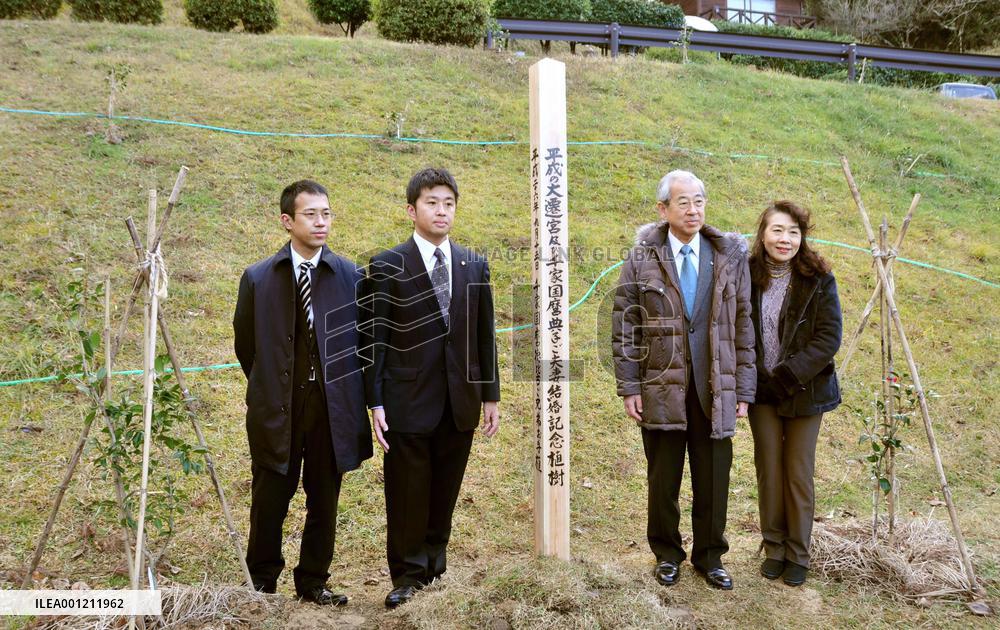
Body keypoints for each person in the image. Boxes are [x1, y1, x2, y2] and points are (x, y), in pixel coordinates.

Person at [612, 169, 755, 591]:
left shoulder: (728, 255)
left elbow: (743, 324)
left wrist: (743, 388)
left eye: (699, 201)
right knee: (663, 478)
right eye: (683, 202)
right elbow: (625, 326)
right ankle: (667, 554)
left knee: (714, 477)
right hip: (661, 386)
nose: (693, 210)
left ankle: (710, 556)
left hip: (716, 386)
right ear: (663, 209)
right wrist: (630, 386)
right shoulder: (643, 257)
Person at [363, 167, 500, 609]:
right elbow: (374, 338)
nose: (442, 211)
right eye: (432, 203)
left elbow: (484, 335)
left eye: (448, 204)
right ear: (412, 210)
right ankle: (407, 575)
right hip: (405, 400)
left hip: (459, 401)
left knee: (445, 490)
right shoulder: (387, 265)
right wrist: (375, 399)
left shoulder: (473, 264)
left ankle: (435, 569)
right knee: (407, 492)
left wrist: (490, 394)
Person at [233, 180, 372, 605]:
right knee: (270, 495)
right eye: (310, 214)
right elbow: (246, 346)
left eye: (326, 214)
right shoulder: (259, 278)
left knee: (325, 497)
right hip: (278, 404)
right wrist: (271, 385)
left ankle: (313, 580)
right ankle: (262, 581)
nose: (320, 222)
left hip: (332, 406)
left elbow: (364, 343)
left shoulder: (351, 276)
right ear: (287, 221)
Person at [747, 200, 842, 587]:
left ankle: (798, 553)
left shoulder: (818, 278)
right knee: (769, 470)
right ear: (763, 234)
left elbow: (828, 338)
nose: (785, 239)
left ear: (802, 237)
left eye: (793, 232)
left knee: (797, 472)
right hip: (761, 390)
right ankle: (774, 547)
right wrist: (755, 376)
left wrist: (787, 376)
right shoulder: (747, 274)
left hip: (804, 390)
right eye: (777, 230)